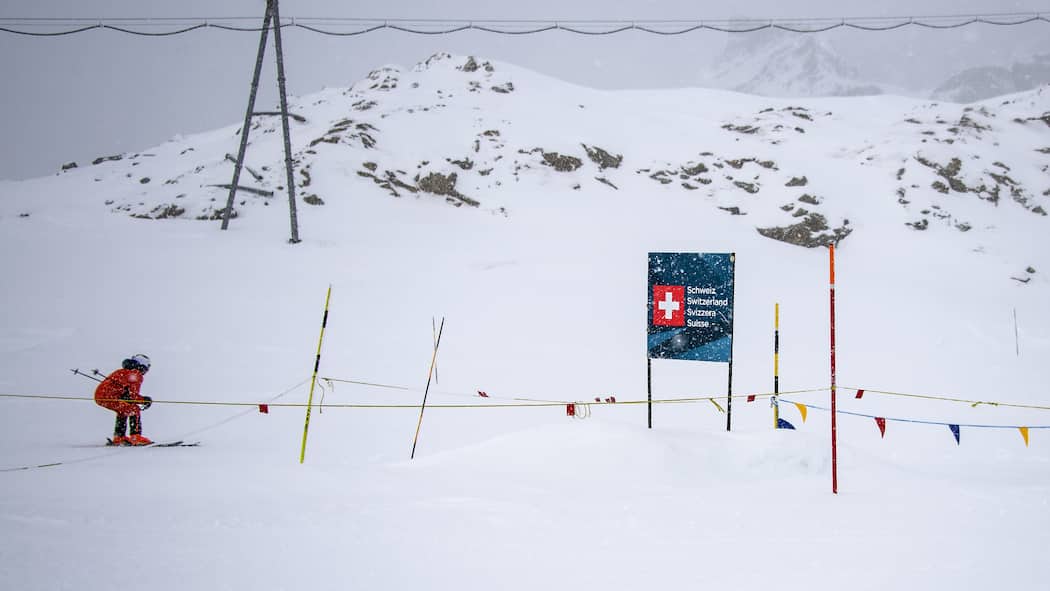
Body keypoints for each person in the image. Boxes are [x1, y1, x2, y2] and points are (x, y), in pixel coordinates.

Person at [94, 354, 154, 446]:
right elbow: (133, 396)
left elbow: (126, 393)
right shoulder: (135, 374)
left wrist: (126, 396)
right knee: (134, 409)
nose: (146, 371)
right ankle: (136, 437)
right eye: (147, 367)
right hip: (110, 397)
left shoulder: (123, 371)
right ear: (143, 365)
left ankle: (119, 437)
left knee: (124, 410)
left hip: (102, 396)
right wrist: (145, 400)